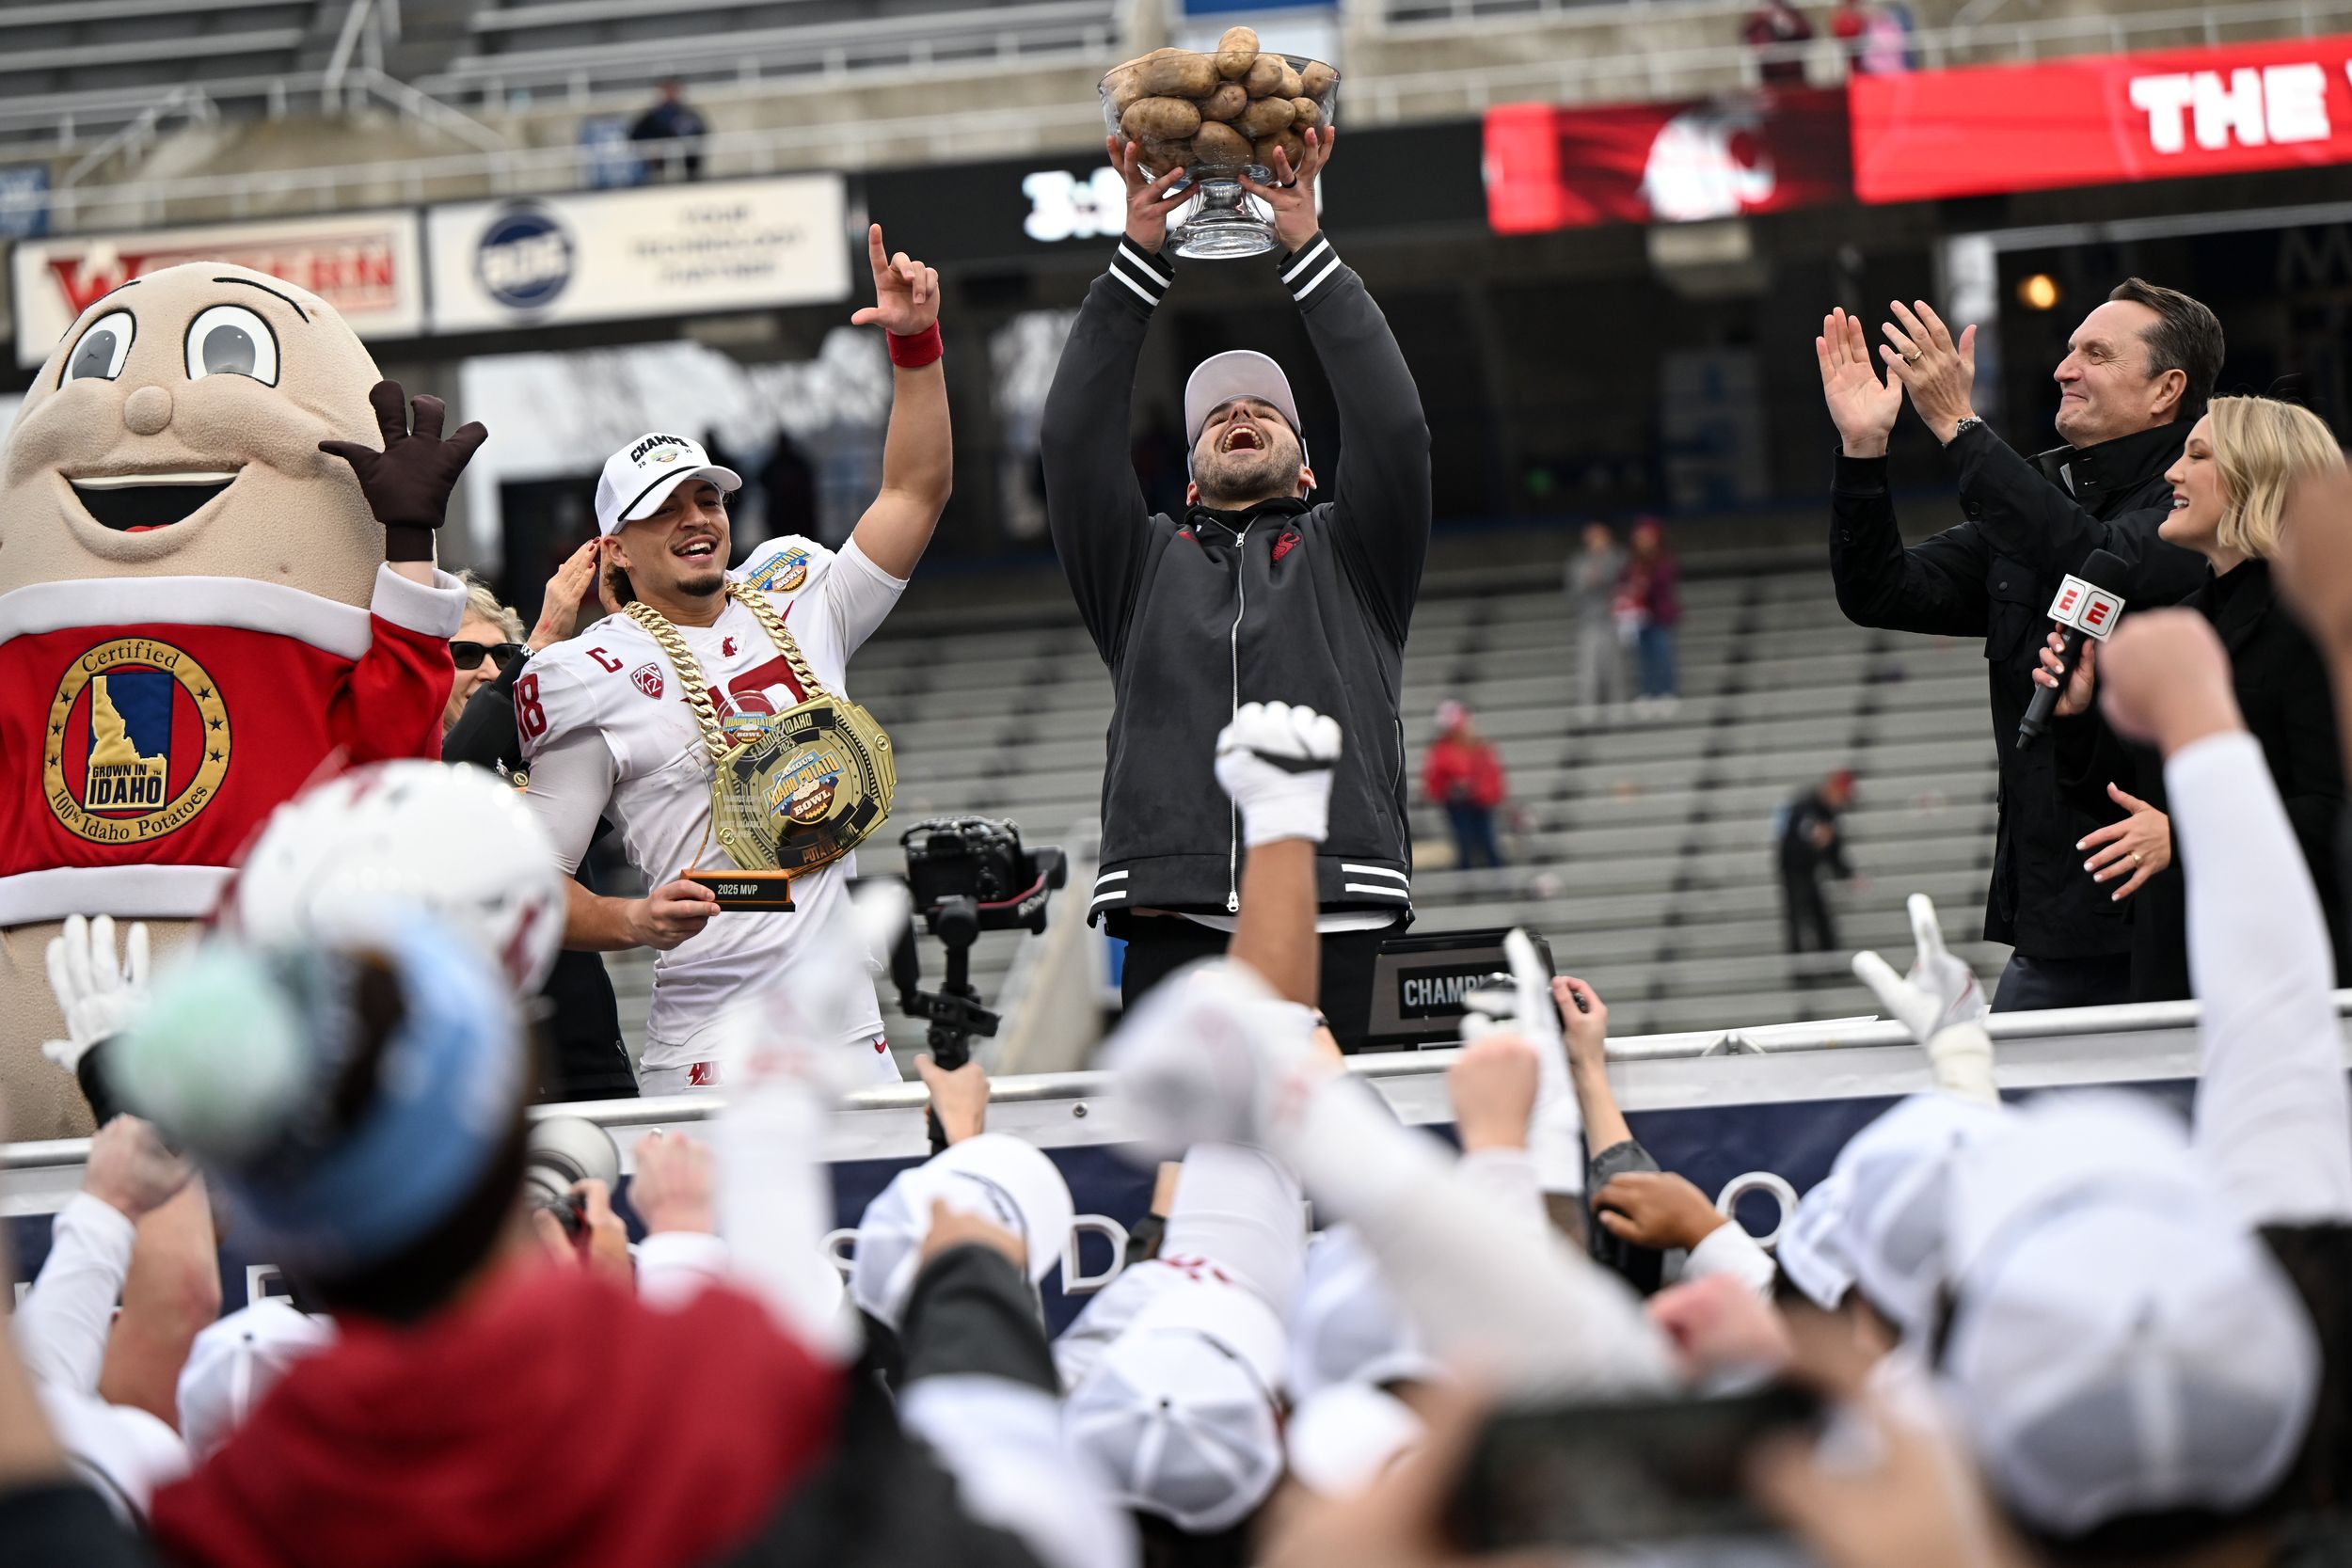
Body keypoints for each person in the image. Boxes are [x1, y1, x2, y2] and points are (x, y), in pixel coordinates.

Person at [516, 225, 948, 1094]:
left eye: (706, 497)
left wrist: (916, 348)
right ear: (615, 549)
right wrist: (634, 919)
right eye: (663, 509)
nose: (696, 518)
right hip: (711, 1047)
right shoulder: (589, 671)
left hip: (847, 1032)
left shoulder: (794, 587)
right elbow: (529, 888)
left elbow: (914, 491)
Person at [1042, 126, 1432, 1049]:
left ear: (1309, 471)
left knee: (1350, 1144)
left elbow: (1395, 429)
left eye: (1265, 410)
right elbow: (1071, 442)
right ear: (1187, 482)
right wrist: (1138, 259)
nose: (1240, 414)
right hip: (1173, 921)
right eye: (1215, 416)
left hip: (1343, 907)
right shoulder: (1139, 566)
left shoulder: (1355, 553)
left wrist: (1306, 247)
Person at [1819, 279, 2222, 1010]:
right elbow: (1882, 590)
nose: (2064, 369)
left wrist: (1959, 425)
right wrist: (1863, 449)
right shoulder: (2043, 499)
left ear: (2167, 389)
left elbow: (2098, 559)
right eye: (2068, 351)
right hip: (2053, 925)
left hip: (2175, 922)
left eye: (2096, 354)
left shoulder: (2200, 502)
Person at [2034, 396, 2350, 1001]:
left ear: (2259, 476)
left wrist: (2187, 834)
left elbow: (2332, 809)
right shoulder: (2186, 622)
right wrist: (2075, 719)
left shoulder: (2312, 627)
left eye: (2197, 456)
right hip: (2176, 961)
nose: (2173, 473)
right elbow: (2135, 810)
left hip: (2285, 980)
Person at [441, 549, 637, 1101]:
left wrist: (632, 632)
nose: (488, 670)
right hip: (486, 1083)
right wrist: (540, 643)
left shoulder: (548, 760)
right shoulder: (402, 773)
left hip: (590, 1060)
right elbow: (454, 777)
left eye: (502, 655)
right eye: (465, 654)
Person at [1777, 768, 1857, 954]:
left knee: (1820, 915)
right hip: (1794, 869)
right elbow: (1791, 841)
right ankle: (1797, 959)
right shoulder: (1805, 807)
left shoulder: (1829, 813)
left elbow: (1834, 848)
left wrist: (1847, 873)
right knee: (1798, 913)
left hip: (1811, 869)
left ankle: (1828, 955)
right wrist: (1814, 842)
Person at [1421, 701, 1508, 870]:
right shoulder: (1443, 751)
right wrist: (1452, 789)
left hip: (1481, 804)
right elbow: (1435, 781)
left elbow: (1492, 777)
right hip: (1458, 806)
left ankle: (1497, 879)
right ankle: (1472, 880)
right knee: (1465, 844)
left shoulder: (1480, 748)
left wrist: (1479, 790)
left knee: (1488, 844)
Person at [1617, 518, 1680, 710]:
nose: (1643, 541)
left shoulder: (1664, 561)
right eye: (1639, 538)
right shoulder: (1632, 562)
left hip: (1659, 616)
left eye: (1647, 537)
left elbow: (1663, 584)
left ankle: (1667, 692)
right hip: (1639, 617)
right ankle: (1647, 692)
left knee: (1662, 655)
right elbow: (1624, 582)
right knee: (1643, 657)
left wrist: (1645, 584)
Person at [1566, 522, 1628, 713]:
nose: (1595, 540)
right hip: (1589, 620)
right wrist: (1588, 582)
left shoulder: (1619, 557)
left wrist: (1604, 573)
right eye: (1591, 536)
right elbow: (1573, 592)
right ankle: (1588, 708)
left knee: (1615, 667)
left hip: (1614, 619)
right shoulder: (1579, 562)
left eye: (1599, 536)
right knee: (1588, 667)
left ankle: (1618, 707)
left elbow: (1627, 582)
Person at [628, 79, 707, 181]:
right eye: (667, 91)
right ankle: (657, 180)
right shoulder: (653, 115)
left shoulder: (686, 112)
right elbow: (636, 134)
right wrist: (650, 146)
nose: (670, 94)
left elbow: (701, 130)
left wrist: (690, 140)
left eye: (673, 91)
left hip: (683, 148)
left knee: (690, 150)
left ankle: (692, 179)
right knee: (657, 154)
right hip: (659, 151)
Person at [1742, 0, 1814, 84]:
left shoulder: (1791, 11)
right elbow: (1751, 37)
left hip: (1793, 69)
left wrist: (1790, 24)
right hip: (1770, 70)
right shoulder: (1758, 15)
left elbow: (1807, 33)